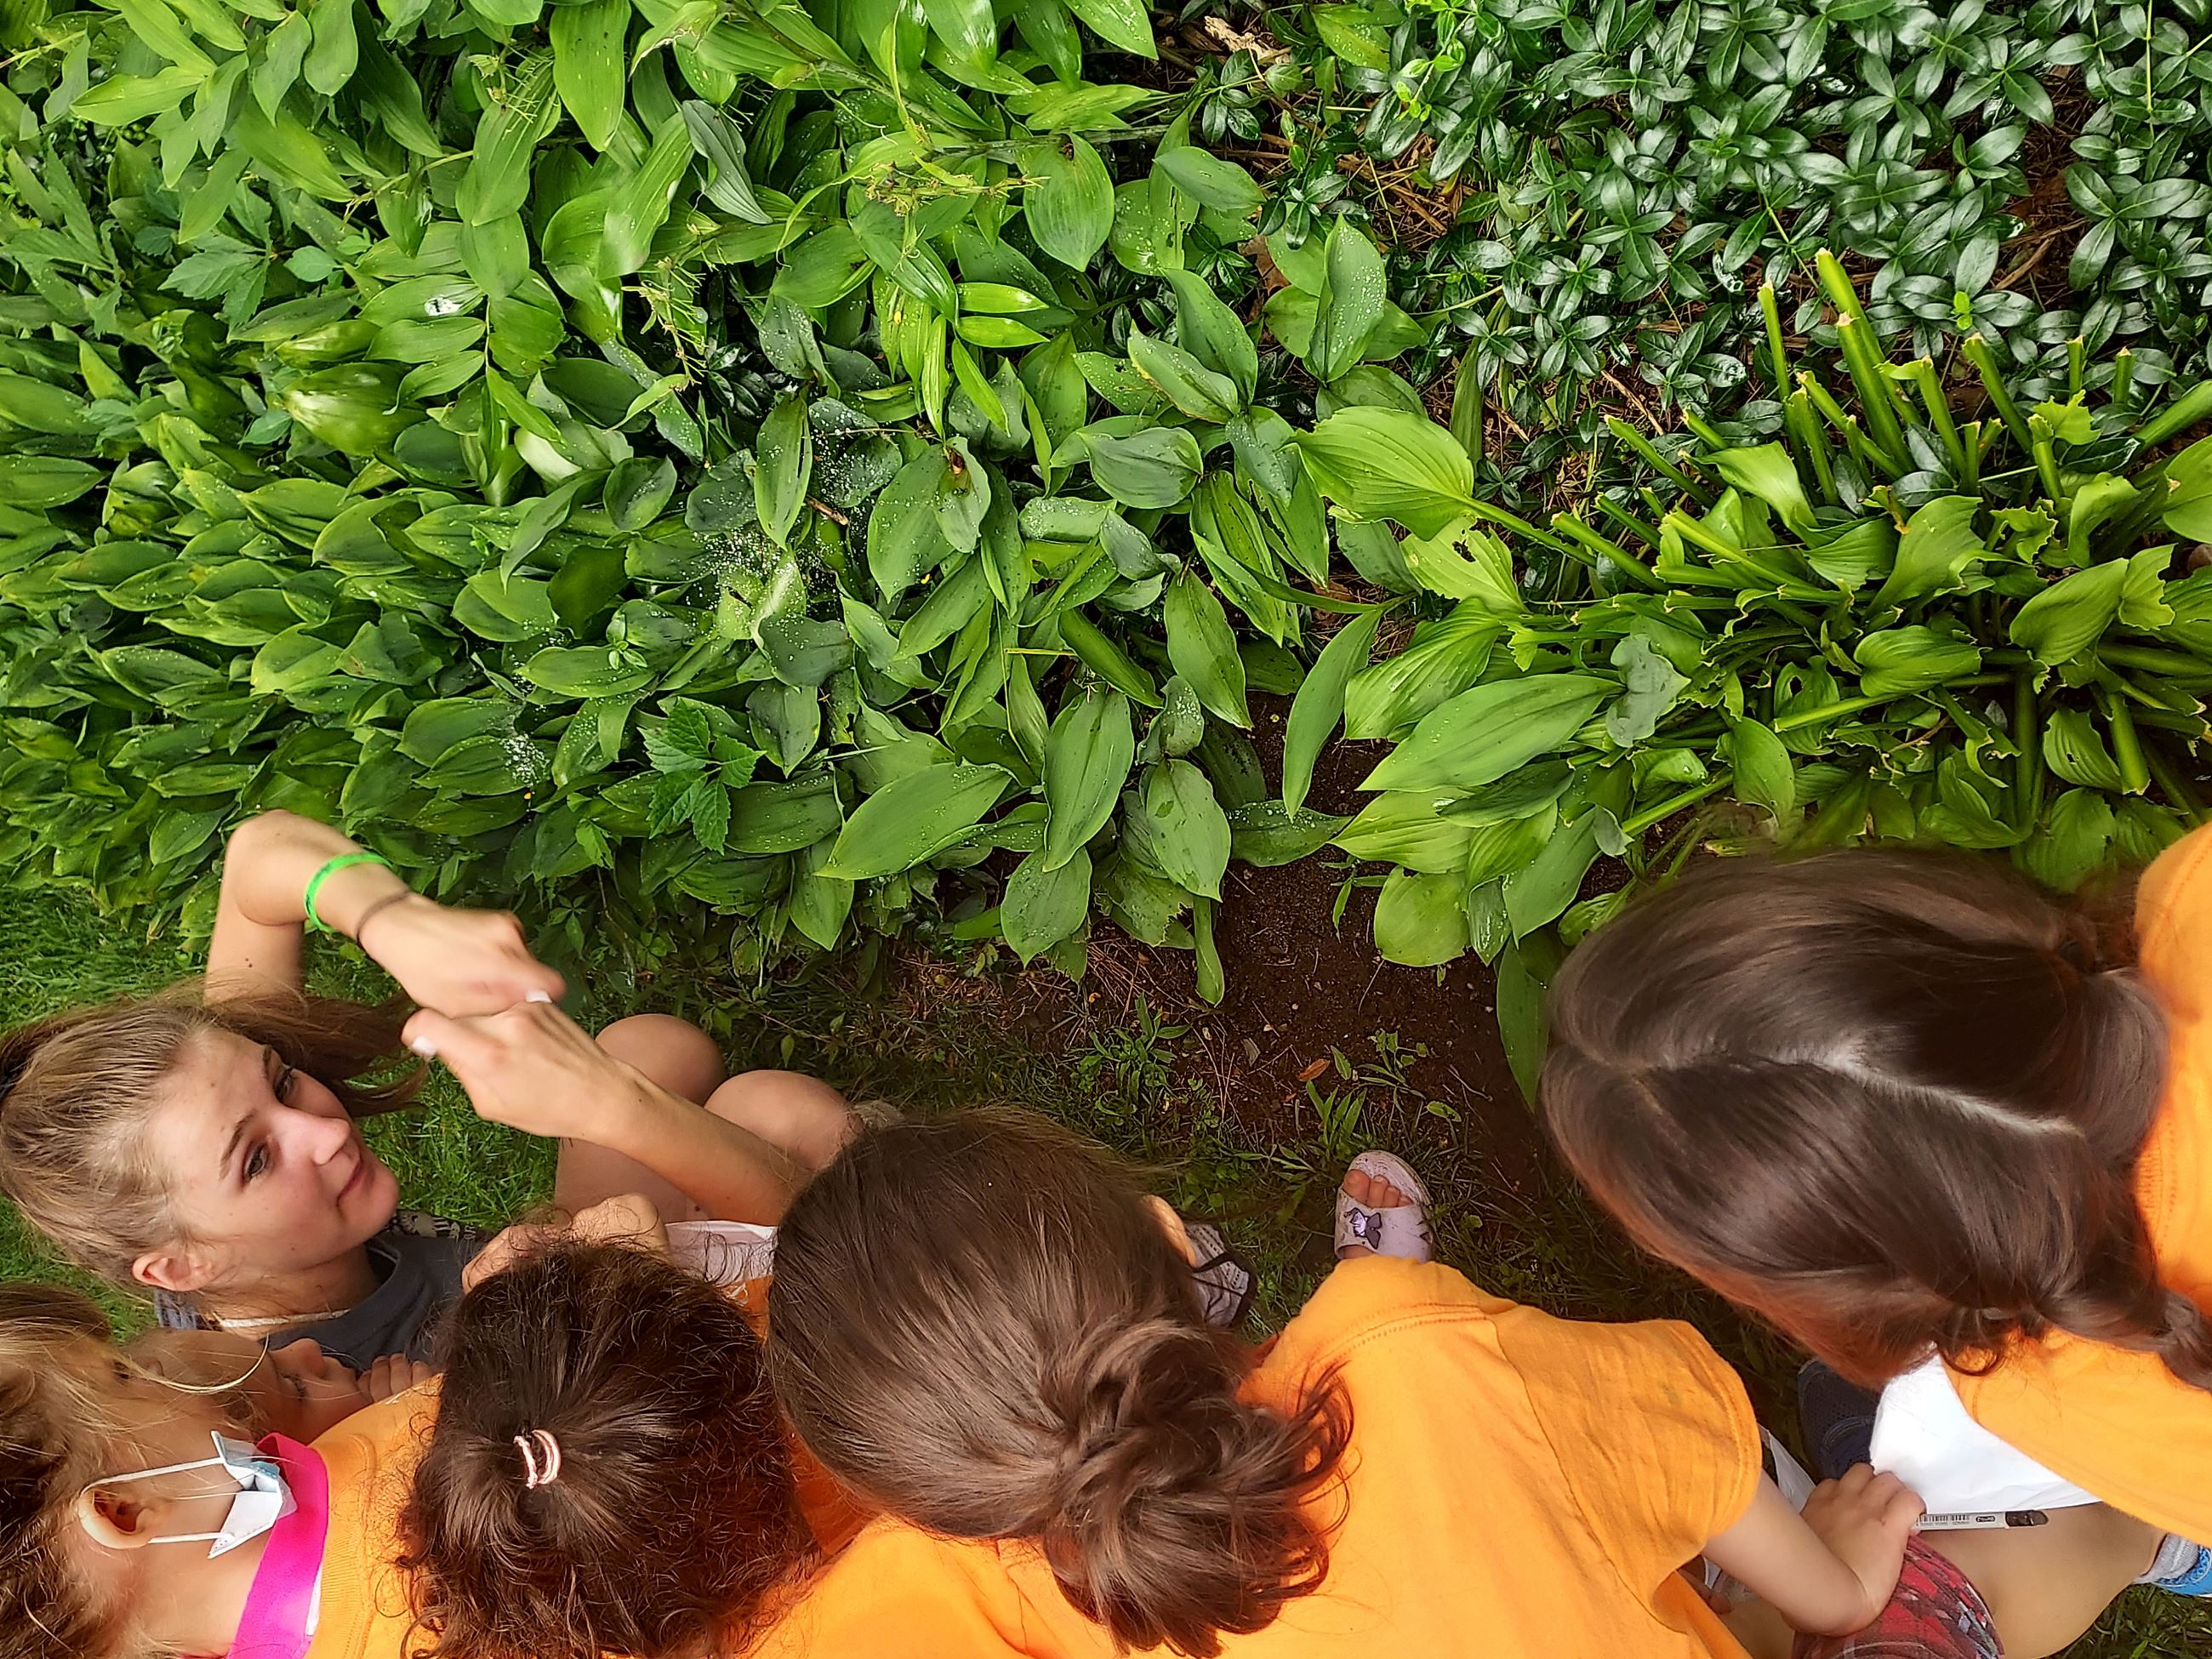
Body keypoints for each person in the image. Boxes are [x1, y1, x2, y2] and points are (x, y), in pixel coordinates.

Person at [754, 1106, 1923, 1659]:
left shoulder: (993, 1612)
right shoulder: (1409, 1352)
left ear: (927, 1515)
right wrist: (1836, 1587)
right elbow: (1707, 1469)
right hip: (1450, 1396)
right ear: (1170, 1234)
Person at [1541, 835, 2212, 1655]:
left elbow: (2104, 1516)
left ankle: (2185, 1556)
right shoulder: (2191, 895)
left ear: (1876, 1294)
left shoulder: (2057, 1401)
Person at [0, 810, 858, 1367]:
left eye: (284, 1081)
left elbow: (261, 856)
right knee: (784, 1118)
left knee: (648, 1047)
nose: (324, 1130)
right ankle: (929, 1254)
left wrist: (391, 921)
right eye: (258, 1160)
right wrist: (610, 1113)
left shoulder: (194, 1190)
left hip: (551, 1266)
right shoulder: (300, 1403)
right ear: (178, 1267)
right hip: (601, 1364)